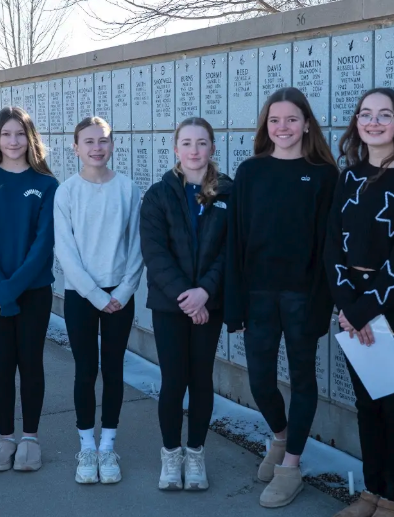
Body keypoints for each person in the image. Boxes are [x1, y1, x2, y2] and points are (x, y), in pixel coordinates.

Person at [224, 87, 338, 508]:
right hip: (258, 294)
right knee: (260, 380)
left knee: (303, 381)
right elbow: (236, 241)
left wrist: (324, 301)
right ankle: (279, 436)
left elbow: (329, 246)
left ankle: (291, 465)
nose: (283, 127)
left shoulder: (324, 174)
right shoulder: (251, 172)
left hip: (302, 296)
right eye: (275, 120)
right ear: (265, 125)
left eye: (292, 119)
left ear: (307, 123)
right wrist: (234, 302)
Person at [324, 88, 394, 517]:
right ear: (356, 123)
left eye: (384, 115)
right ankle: (370, 491)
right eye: (365, 114)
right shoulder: (347, 176)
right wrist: (347, 305)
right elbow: (333, 245)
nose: (373, 122)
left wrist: (363, 309)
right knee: (367, 405)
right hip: (350, 307)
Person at [139, 117, 232, 491]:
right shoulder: (159, 194)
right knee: (174, 380)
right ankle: (171, 454)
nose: (195, 151)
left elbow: (230, 250)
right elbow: (155, 252)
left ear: (212, 148)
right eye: (187, 143)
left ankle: (196, 455)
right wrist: (187, 297)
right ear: (176, 149)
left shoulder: (228, 192)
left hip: (210, 302)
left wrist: (205, 292)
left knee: (201, 379)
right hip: (170, 305)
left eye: (202, 143)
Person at [0, 107, 58, 473]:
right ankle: (5, 438)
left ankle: (30, 439)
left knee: (31, 364)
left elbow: (43, 243)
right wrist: (0, 289)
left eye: (20, 134)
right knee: (2, 365)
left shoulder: (47, 184)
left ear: (30, 138)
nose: (14, 141)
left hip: (34, 291)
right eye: (6, 134)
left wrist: (15, 287)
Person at [54, 116, 143, 485]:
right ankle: (86, 445)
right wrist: (92, 294)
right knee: (85, 371)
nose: (96, 148)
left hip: (119, 297)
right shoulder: (67, 191)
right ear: (75, 148)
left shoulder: (128, 188)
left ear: (112, 144)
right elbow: (65, 249)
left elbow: (137, 245)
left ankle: (108, 445)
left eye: (103, 140)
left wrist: (121, 292)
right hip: (81, 296)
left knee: (114, 370)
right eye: (88, 141)